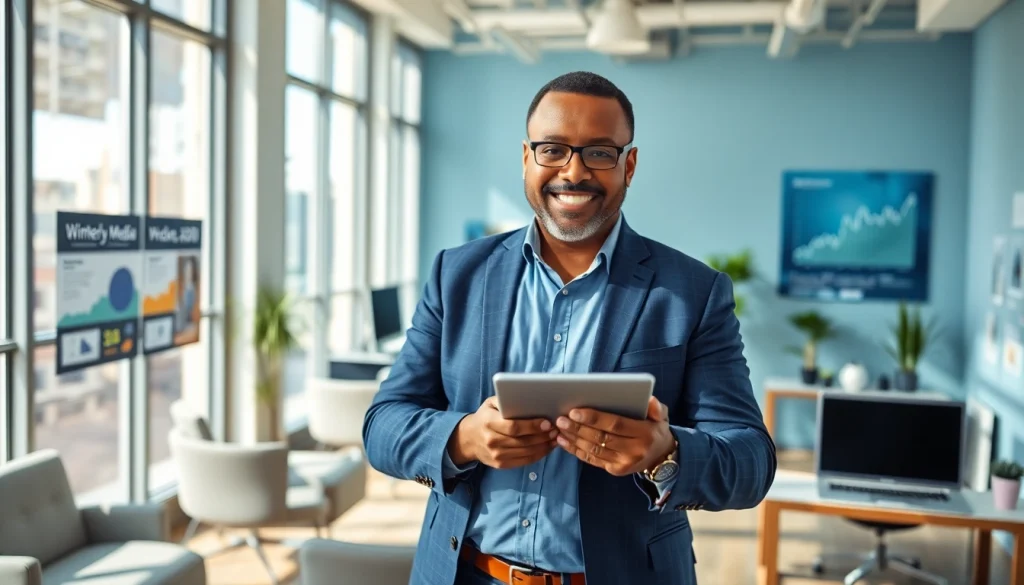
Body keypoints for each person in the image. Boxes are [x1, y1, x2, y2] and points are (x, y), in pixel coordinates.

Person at [362, 71, 777, 585]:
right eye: (553, 149)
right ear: (526, 158)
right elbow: (382, 425)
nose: (573, 171)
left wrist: (665, 454)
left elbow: (750, 460)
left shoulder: (693, 292)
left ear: (629, 164)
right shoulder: (458, 274)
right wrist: (463, 438)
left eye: (599, 152)